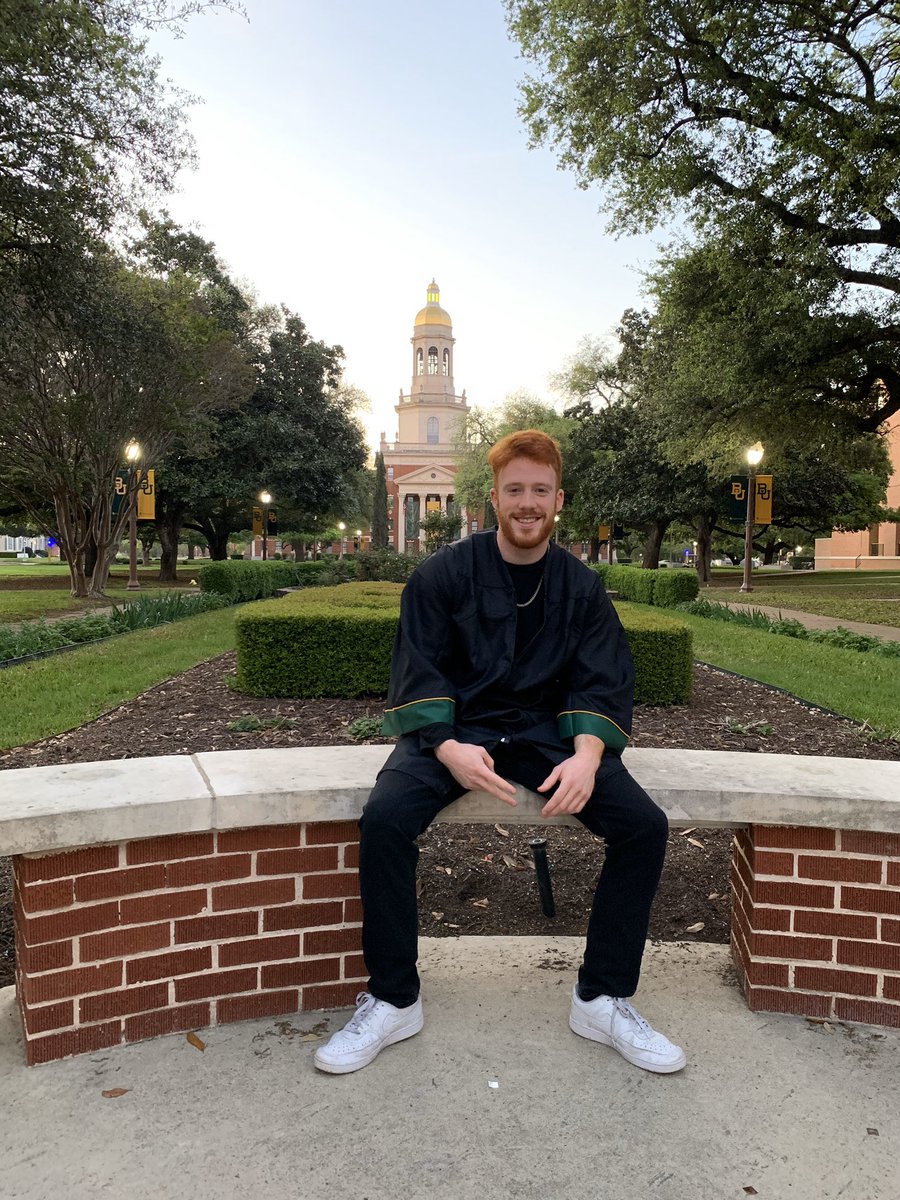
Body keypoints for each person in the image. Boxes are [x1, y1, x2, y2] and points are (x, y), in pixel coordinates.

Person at [314, 430, 685, 1076]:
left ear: (558, 499)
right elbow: (421, 665)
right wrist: (446, 744)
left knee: (644, 828)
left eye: (539, 491)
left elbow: (601, 678)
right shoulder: (443, 575)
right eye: (515, 490)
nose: (527, 503)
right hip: (457, 734)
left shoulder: (581, 587)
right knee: (386, 819)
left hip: (550, 737)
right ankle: (394, 997)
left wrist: (589, 754)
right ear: (494, 499)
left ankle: (601, 997)